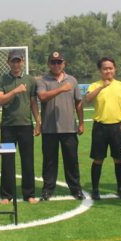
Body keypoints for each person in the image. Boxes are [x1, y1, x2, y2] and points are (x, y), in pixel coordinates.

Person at [0, 49, 41, 205]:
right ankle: (6, 195)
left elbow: (34, 102)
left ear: (22, 62)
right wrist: (15, 90)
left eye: (18, 61)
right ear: (8, 62)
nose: (16, 64)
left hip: (26, 125)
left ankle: (29, 194)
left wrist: (38, 122)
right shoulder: (2, 80)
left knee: (28, 161)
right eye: (13, 61)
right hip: (8, 126)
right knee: (7, 161)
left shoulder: (30, 80)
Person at [37, 51, 85, 201]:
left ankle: (76, 189)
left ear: (64, 63)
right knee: (49, 161)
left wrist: (81, 122)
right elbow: (42, 97)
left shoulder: (72, 80)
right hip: (49, 128)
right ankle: (48, 189)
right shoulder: (43, 80)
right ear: (49, 64)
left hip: (69, 127)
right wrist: (61, 89)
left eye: (59, 62)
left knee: (71, 160)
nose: (56, 65)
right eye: (53, 62)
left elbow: (78, 102)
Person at [84, 57, 121, 200]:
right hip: (100, 127)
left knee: (118, 159)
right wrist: (101, 87)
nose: (108, 71)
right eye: (105, 68)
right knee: (98, 159)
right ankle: (96, 189)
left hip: (117, 127)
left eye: (110, 68)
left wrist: (119, 114)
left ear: (115, 69)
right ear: (100, 71)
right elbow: (88, 99)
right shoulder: (94, 85)